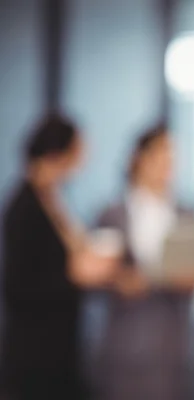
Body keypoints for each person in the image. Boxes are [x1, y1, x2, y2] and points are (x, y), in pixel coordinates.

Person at [1, 114, 118, 400]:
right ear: (58, 153)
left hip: (60, 344)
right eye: (78, 152)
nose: (83, 161)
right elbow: (16, 285)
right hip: (35, 351)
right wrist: (74, 276)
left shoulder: (53, 198)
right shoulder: (25, 207)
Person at [95, 124, 194, 400]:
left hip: (171, 343)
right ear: (139, 158)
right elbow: (97, 273)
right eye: (161, 155)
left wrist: (188, 278)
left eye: (172, 157)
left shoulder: (186, 213)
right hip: (124, 341)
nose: (168, 164)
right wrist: (118, 279)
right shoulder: (112, 214)